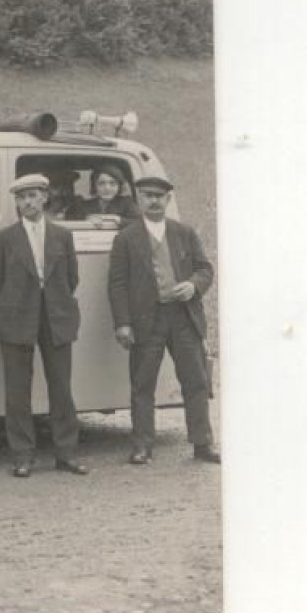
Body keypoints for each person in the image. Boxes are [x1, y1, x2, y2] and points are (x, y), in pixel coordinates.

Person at [109, 176, 220, 465]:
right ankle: (142, 445)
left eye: (159, 196)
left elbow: (205, 269)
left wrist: (194, 285)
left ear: (168, 200)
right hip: (147, 319)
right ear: (138, 198)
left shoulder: (184, 232)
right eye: (147, 196)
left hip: (183, 317)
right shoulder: (126, 238)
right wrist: (123, 323)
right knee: (143, 384)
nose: (154, 201)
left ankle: (202, 444)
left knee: (195, 380)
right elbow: (117, 284)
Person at [0, 174, 87, 478]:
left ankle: (66, 454)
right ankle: (23, 456)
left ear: (44, 198)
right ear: (16, 202)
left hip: (56, 317)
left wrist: (55, 302)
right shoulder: (5, 238)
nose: (27, 202)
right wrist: (12, 306)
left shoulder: (62, 236)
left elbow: (72, 278)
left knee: (61, 388)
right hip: (17, 319)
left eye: (32, 196)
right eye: (21, 197)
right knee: (17, 390)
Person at [66, 166, 138, 225]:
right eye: (101, 183)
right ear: (94, 186)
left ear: (119, 186)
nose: (107, 188)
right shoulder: (82, 206)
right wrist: (86, 220)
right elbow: (68, 221)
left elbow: (140, 223)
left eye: (112, 183)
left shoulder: (127, 203)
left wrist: (116, 219)